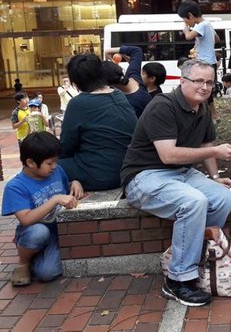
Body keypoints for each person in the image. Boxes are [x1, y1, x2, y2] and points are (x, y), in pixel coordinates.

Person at [121, 59, 231, 307]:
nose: (205, 87)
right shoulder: (162, 106)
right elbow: (169, 155)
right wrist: (216, 151)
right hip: (144, 176)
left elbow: (206, 145)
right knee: (194, 202)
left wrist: (215, 178)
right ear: (182, 81)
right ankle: (177, 281)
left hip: (180, 173)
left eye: (209, 82)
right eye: (198, 81)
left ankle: (196, 257)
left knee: (223, 198)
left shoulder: (202, 108)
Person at [1, 131, 83, 286]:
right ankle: (24, 263)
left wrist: (74, 183)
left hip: (58, 231)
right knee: (38, 232)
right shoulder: (15, 187)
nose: (54, 166)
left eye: (55, 161)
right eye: (49, 163)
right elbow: (26, 219)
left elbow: (64, 189)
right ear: (31, 163)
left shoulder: (57, 171)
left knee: (47, 273)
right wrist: (55, 200)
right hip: (34, 231)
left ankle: (39, 258)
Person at [58, 54, 137, 191]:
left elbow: (66, 145)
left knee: (45, 165)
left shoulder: (78, 103)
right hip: (127, 168)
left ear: (75, 81)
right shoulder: (118, 95)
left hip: (99, 175)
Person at [104, 46, 152, 117]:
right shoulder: (134, 75)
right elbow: (136, 50)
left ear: (109, 84)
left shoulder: (123, 103)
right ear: (119, 69)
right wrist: (107, 52)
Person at [177, 0, 220, 66]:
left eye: (184, 19)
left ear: (190, 15)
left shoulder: (201, 25)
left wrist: (186, 30)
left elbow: (188, 37)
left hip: (205, 62)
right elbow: (217, 39)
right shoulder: (207, 24)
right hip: (211, 61)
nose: (185, 22)